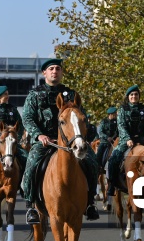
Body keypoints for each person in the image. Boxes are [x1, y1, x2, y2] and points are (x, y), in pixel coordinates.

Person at [21, 58, 100, 224]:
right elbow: (27, 118)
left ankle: (90, 203)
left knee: (92, 162)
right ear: (45, 73)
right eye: (51, 69)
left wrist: (85, 135)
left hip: (70, 142)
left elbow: (81, 117)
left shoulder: (70, 94)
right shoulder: (34, 95)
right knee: (32, 163)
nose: (54, 71)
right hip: (45, 141)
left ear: (61, 72)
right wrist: (38, 135)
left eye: (57, 69)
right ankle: (31, 206)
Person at [106, 85, 144, 198]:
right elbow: (121, 125)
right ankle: (112, 185)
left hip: (142, 140)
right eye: (132, 95)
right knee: (113, 159)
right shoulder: (122, 109)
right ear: (128, 97)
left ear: (139, 96)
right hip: (125, 141)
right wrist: (127, 139)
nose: (134, 96)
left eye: (136, 94)